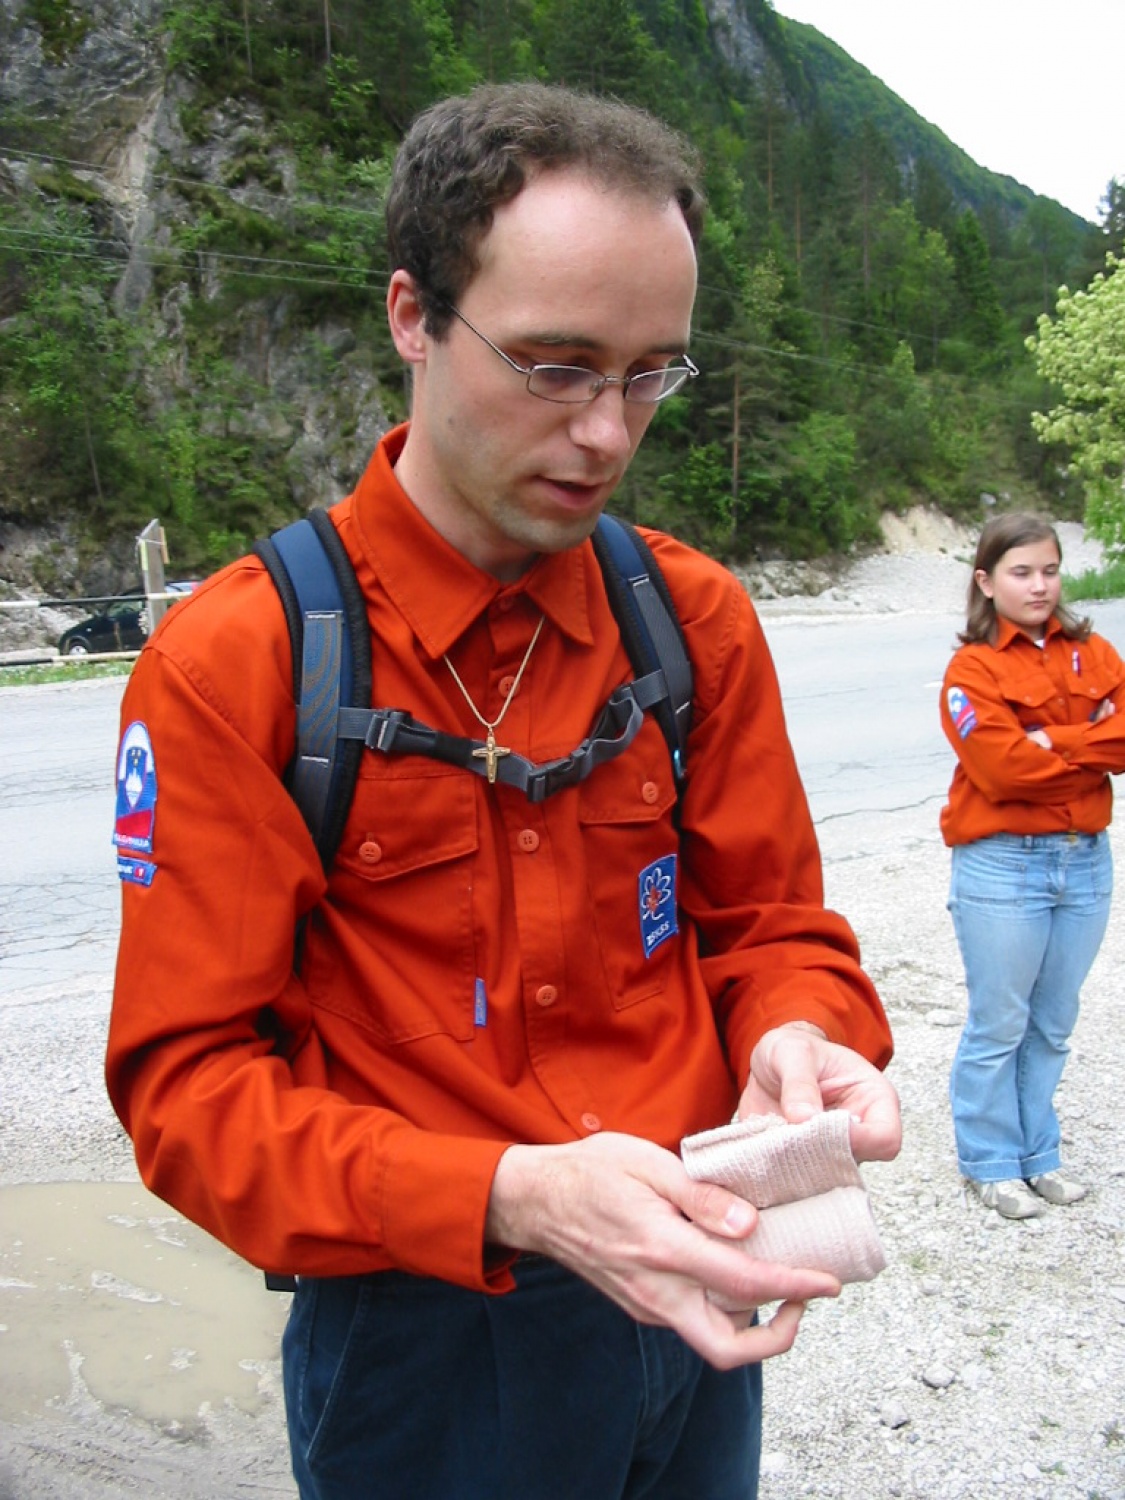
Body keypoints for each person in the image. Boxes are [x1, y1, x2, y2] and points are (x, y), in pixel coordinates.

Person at [106, 81, 900, 1500]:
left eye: (654, 372)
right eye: (555, 366)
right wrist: (506, 1193)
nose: (607, 431)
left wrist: (798, 1034)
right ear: (413, 315)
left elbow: (771, 925)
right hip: (423, 1334)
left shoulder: (692, 621)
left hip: (693, 1279)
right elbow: (188, 1091)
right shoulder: (243, 660)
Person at [940, 512, 1125, 1221]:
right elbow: (1001, 768)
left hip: (1082, 865)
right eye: (1020, 573)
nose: (1038, 585)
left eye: (1048, 570)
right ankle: (989, 1164)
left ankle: (1037, 1156)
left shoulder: (1093, 653)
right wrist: (1088, 748)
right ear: (986, 582)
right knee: (998, 1023)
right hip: (1002, 867)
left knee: (1052, 1021)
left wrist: (1054, 739)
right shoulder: (973, 669)